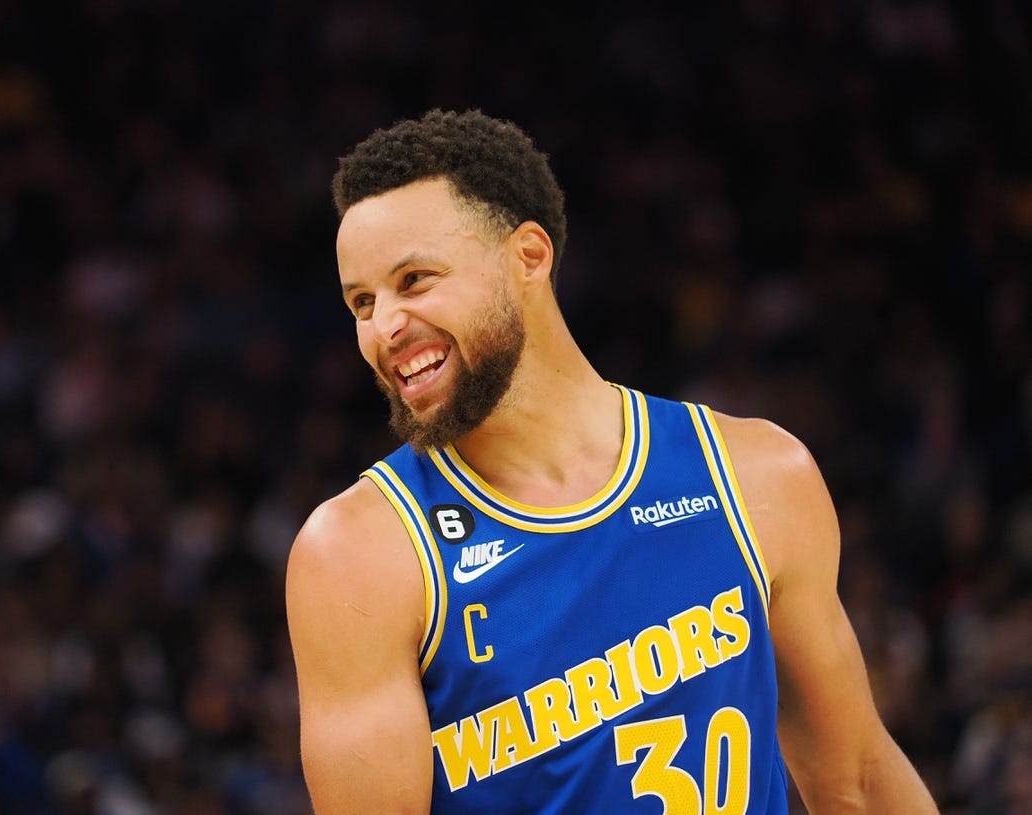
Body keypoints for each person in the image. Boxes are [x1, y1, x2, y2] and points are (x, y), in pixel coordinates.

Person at [285, 108, 940, 814]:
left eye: (414, 280)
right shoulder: (358, 555)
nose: (383, 326)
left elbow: (860, 782)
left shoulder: (755, 472)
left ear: (529, 257)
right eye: (361, 301)